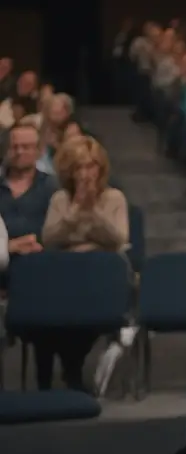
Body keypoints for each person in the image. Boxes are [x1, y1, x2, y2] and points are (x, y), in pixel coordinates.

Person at [38, 136, 129, 392]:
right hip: (64, 275)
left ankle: (72, 369)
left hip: (100, 277)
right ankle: (63, 374)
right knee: (50, 313)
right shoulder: (60, 200)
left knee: (86, 310)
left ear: (100, 168)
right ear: (70, 171)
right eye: (79, 167)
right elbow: (50, 238)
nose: (86, 174)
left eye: (91, 166)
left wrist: (94, 214)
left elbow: (118, 239)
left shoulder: (114, 198)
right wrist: (76, 210)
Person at [0, 122, 57, 261]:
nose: (19, 152)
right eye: (14, 147)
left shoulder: (53, 187)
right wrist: (6, 247)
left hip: (41, 263)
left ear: (39, 151)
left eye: (26, 147)